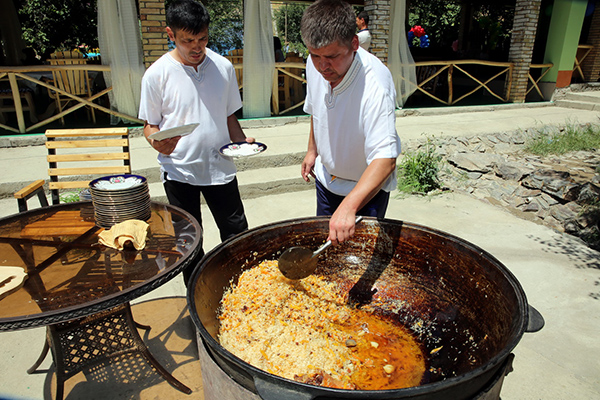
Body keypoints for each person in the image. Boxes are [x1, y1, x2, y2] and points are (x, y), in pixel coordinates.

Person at [138, 0, 253, 284]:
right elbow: (149, 125)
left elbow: (228, 115)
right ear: (170, 34)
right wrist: (156, 143)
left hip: (220, 166)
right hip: (179, 171)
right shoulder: (156, 74)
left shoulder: (223, 67)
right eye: (187, 40)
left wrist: (241, 142)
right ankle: (196, 295)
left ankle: (244, 288)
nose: (197, 47)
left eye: (202, 38)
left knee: (237, 233)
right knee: (189, 242)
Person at [300, 0, 401, 245]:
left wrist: (349, 206)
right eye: (315, 55)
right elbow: (316, 109)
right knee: (325, 260)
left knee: (358, 260)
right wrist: (312, 150)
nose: (323, 66)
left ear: (354, 44)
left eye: (332, 56)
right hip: (326, 181)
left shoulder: (375, 84)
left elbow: (385, 159)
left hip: (365, 192)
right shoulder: (316, 64)